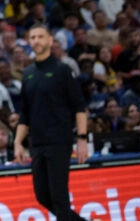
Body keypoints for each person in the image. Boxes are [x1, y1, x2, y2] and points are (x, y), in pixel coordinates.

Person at [15, 24, 87, 221]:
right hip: (37, 143)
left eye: (40, 36)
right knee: (42, 195)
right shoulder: (28, 73)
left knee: (59, 197)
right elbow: (25, 113)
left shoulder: (62, 70)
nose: (36, 41)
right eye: (32, 37)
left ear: (50, 40)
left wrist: (82, 138)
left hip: (59, 140)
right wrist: (18, 142)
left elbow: (79, 106)